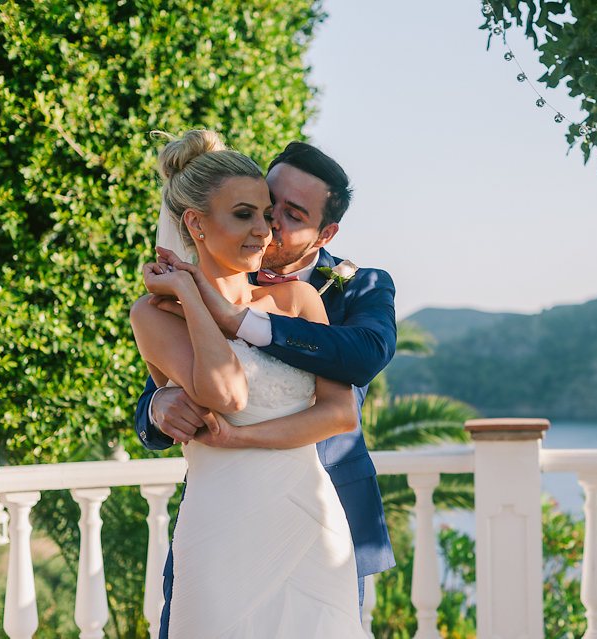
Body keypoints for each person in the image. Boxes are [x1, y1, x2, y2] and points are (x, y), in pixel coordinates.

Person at [134, 135, 396, 635]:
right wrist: (158, 401)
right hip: (223, 516)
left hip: (315, 514)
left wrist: (237, 319)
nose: (268, 226)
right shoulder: (161, 310)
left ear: (325, 233)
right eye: (261, 208)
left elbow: (361, 359)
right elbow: (188, 387)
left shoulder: (348, 288)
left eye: (289, 216)